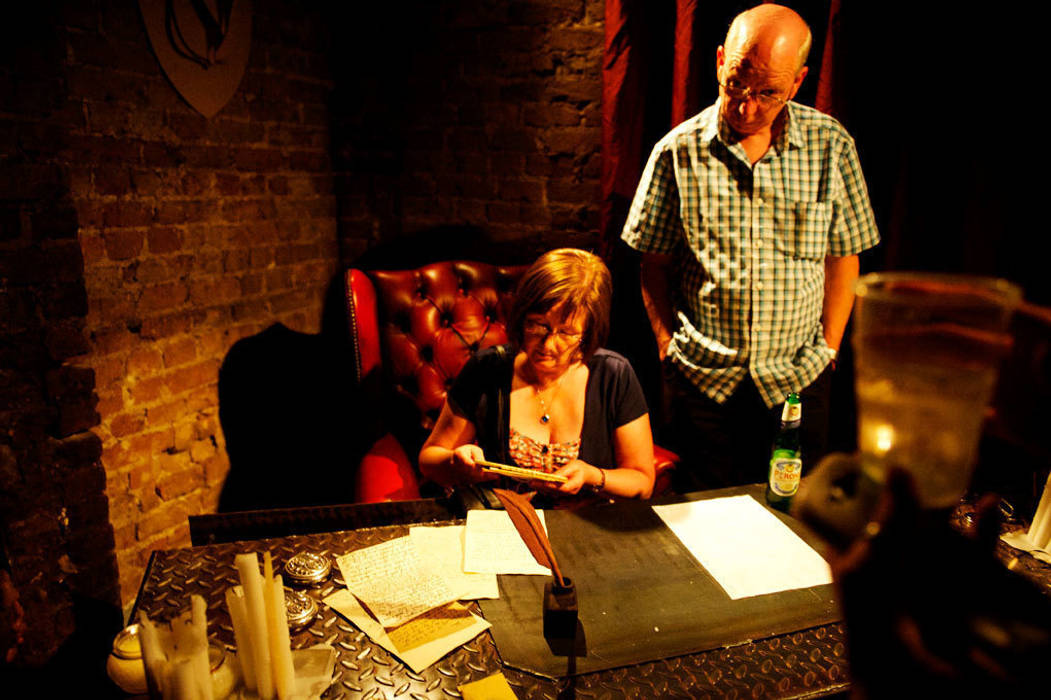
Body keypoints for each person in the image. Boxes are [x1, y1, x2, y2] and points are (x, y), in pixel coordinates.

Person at [621, 4, 879, 489]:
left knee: (794, 530)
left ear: (798, 82)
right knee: (703, 533)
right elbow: (652, 264)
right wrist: (666, 348)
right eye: (736, 84)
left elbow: (844, 256)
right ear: (720, 61)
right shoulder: (676, 152)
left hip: (799, 377)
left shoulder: (831, 146)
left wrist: (828, 349)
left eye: (767, 93)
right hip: (702, 382)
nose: (746, 106)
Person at [419, 248, 656, 500]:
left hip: (586, 526)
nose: (548, 345)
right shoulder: (487, 369)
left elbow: (642, 481)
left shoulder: (613, 375)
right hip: (505, 523)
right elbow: (429, 458)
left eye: (565, 332)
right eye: (537, 325)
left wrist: (593, 475)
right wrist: (456, 463)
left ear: (588, 331)